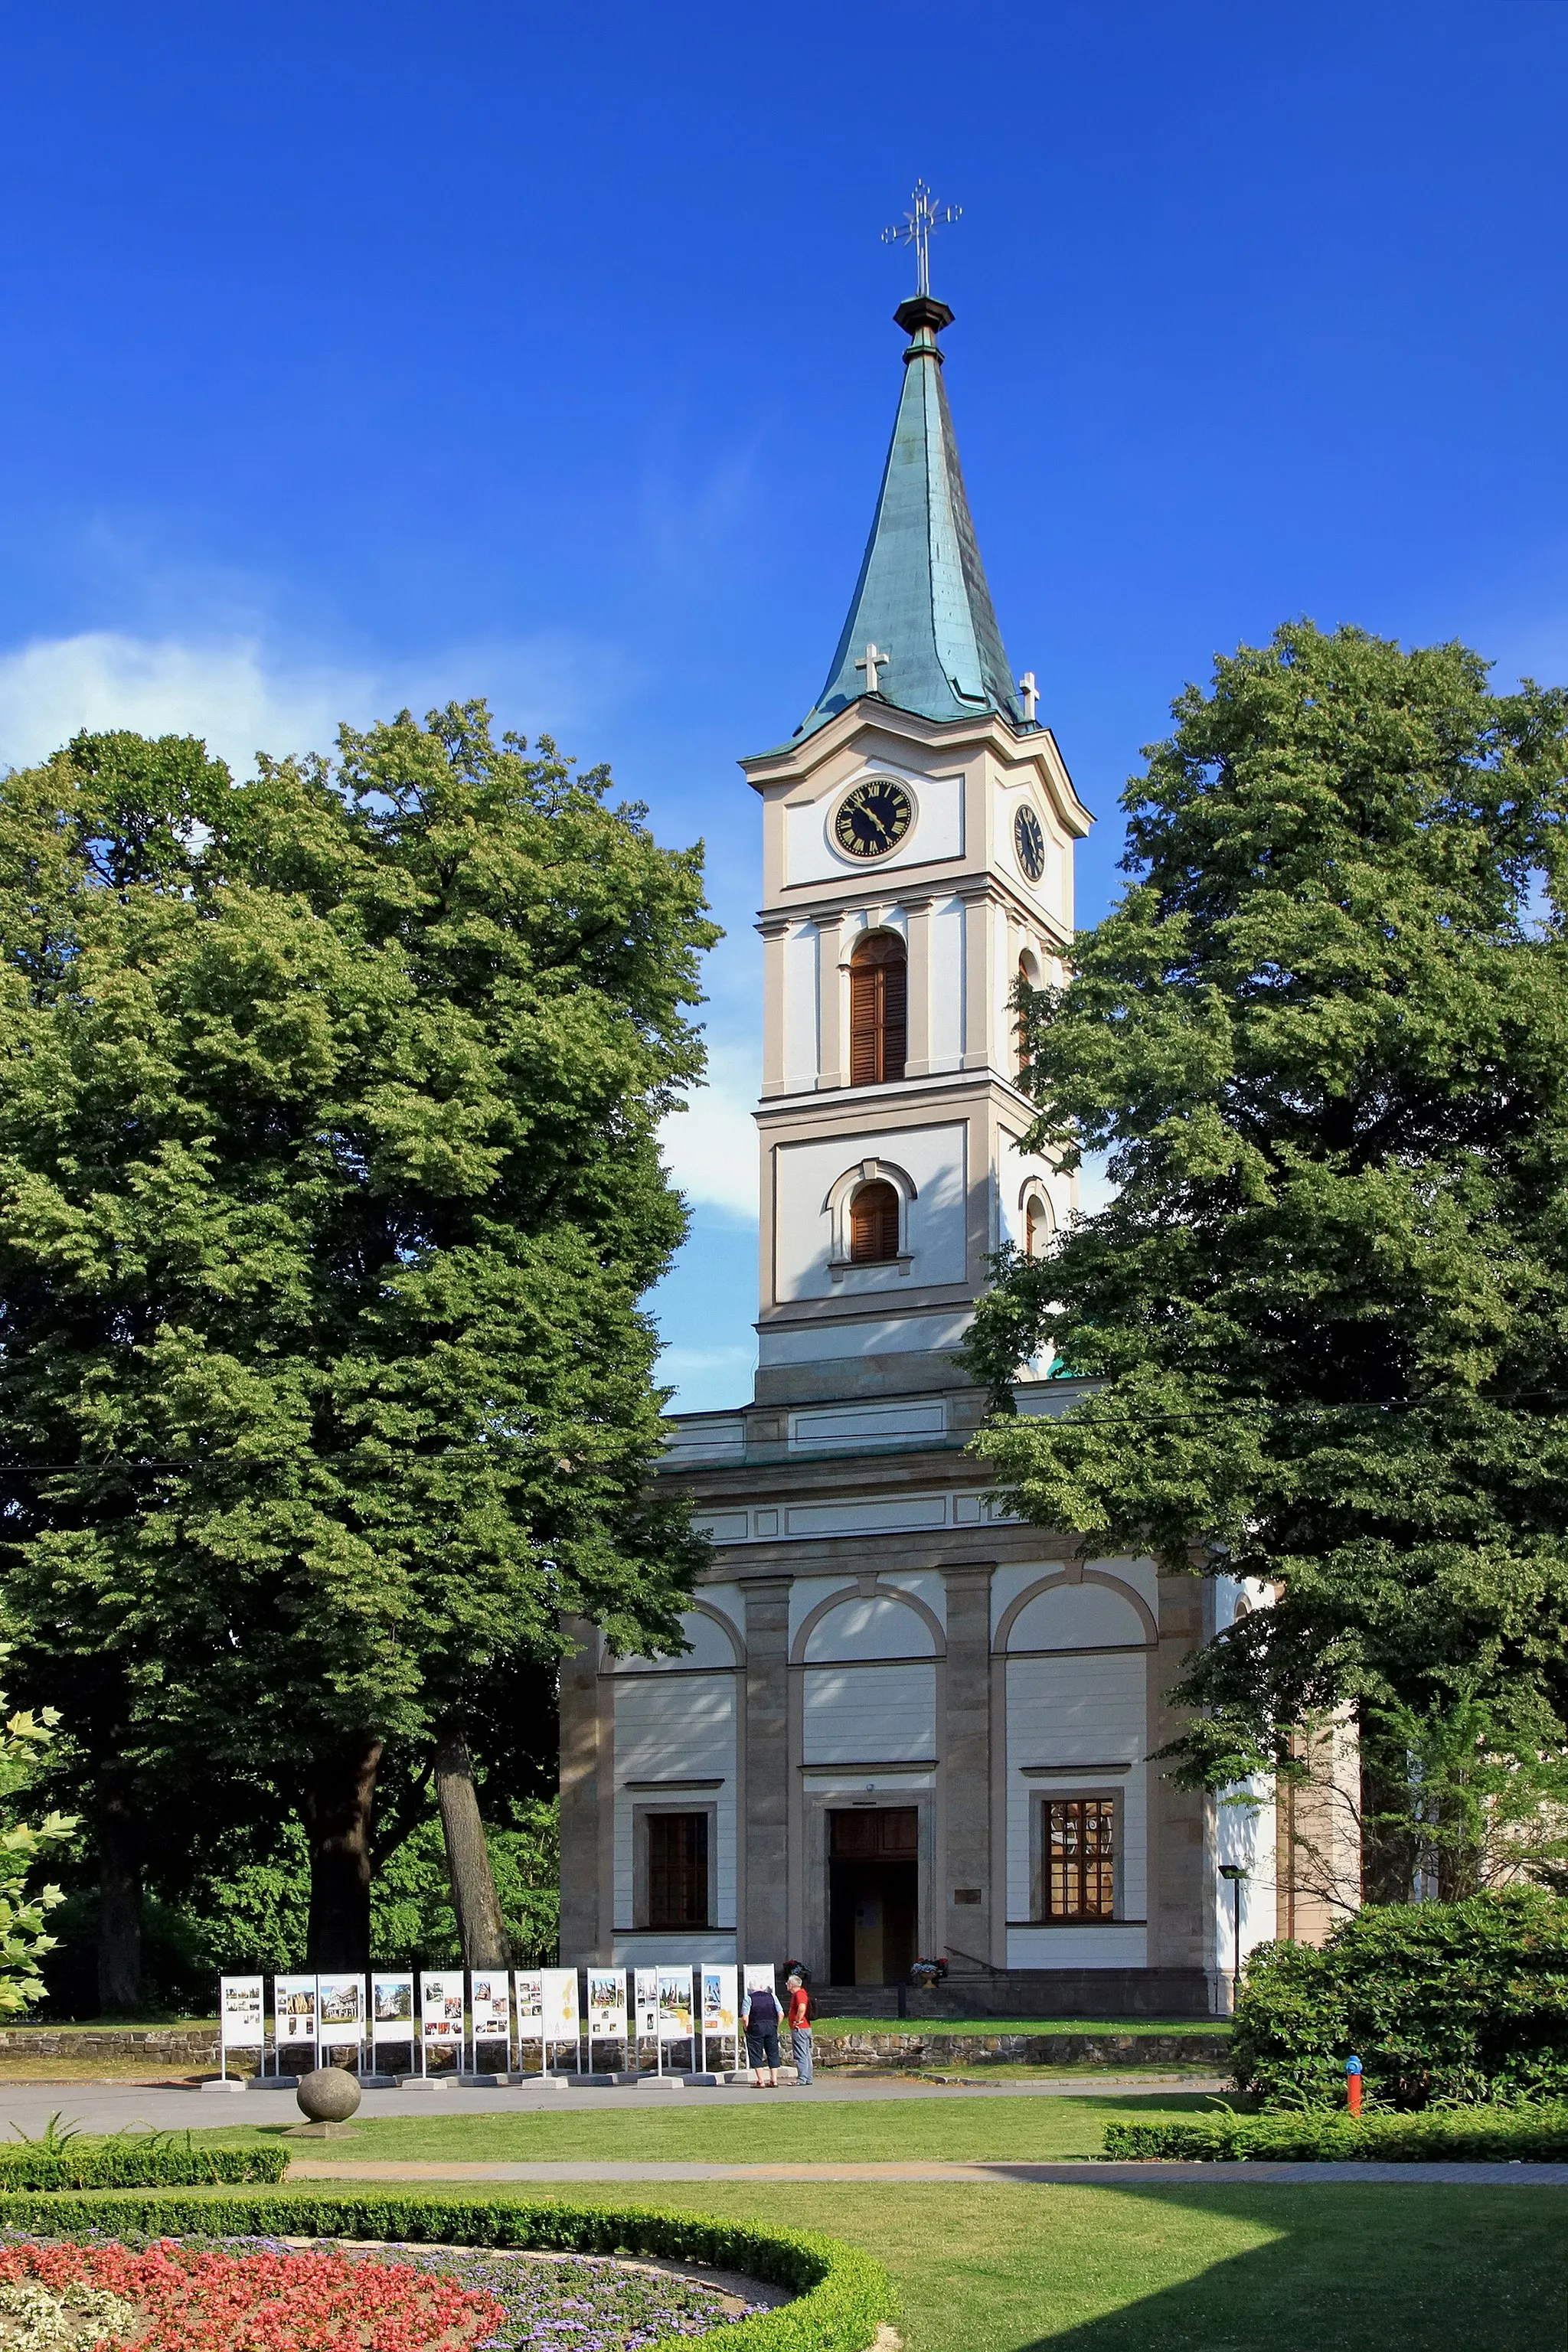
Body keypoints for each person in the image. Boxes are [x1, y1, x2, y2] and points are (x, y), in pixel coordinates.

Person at [741, 1973, 781, 2087]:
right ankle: (774, 2080)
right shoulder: (772, 1997)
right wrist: (776, 2025)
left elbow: (745, 2017)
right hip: (771, 2026)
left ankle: (761, 2080)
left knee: (755, 2052)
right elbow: (781, 2013)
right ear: (762, 1987)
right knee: (773, 2052)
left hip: (755, 2027)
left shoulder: (749, 1998)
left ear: (750, 1988)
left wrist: (746, 2027)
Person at [784, 1965, 814, 2087]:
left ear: (792, 1985)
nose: (786, 1985)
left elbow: (802, 2007)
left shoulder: (799, 1994)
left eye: (788, 1983)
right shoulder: (801, 1993)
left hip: (800, 2028)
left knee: (801, 2054)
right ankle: (808, 2078)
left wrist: (797, 2020)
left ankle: (802, 2078)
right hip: (805, 2027)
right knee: (806, 2053)